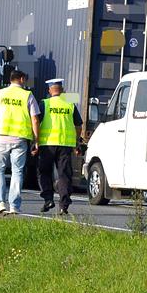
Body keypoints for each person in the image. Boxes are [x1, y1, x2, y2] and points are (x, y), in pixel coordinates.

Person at [0, 70, 40, 215]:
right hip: (19, 139)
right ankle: (14, 206)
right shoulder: (27, 95)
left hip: (1, 137)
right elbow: (35, 119)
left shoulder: (0, 93)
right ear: (22, 79)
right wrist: (36, 139)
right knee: (17, 172)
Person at [37, 78, 83, 215]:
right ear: (62, 90)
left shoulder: (44, 103)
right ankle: (64, 205)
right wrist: (76, 142)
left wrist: (35, 141)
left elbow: (36, 122)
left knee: (44, 172)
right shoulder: (70, 104)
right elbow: (79, 125)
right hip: (65, 145)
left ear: (49, 90)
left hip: (47, 144)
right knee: (64, 175)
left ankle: (48, 199)